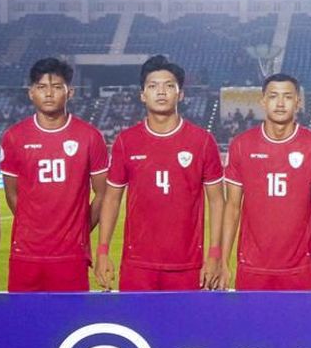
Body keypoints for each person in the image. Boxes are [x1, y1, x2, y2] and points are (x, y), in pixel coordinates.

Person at [94, 55, 224, 291]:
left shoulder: (202, 142)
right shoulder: (126, 141)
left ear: (180, 94)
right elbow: (112, 199)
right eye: (153, 86)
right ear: (143, 94)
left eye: (169, 86)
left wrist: (215, 254)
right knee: (137, 326)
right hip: (138, 265)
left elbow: (217, 201)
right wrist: (102, 251)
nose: (161, 92)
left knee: (185, 328)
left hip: (187, 264)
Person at [220, 73, 311, 291]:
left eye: (288, 97)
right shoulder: (242, 145)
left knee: (299, 325)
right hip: (252, 267)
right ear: (263, 101)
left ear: (298, 102)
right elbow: (232, 207)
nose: (281, 103)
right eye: (274, 96)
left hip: (300, 267)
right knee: (252, 325)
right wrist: (223, 262)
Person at [0, 57, 108, 292]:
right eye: (42, 87)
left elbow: (103, 194)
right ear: (31, 93)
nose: (49, 93)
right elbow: (12, 194)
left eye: (57, 87)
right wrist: (34, 229)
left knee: (70, 324)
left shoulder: (90, 136)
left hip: (71, 254)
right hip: (26, 253)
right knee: (22, 322)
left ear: (70, 92)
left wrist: (79, 229)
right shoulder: (14, 137)